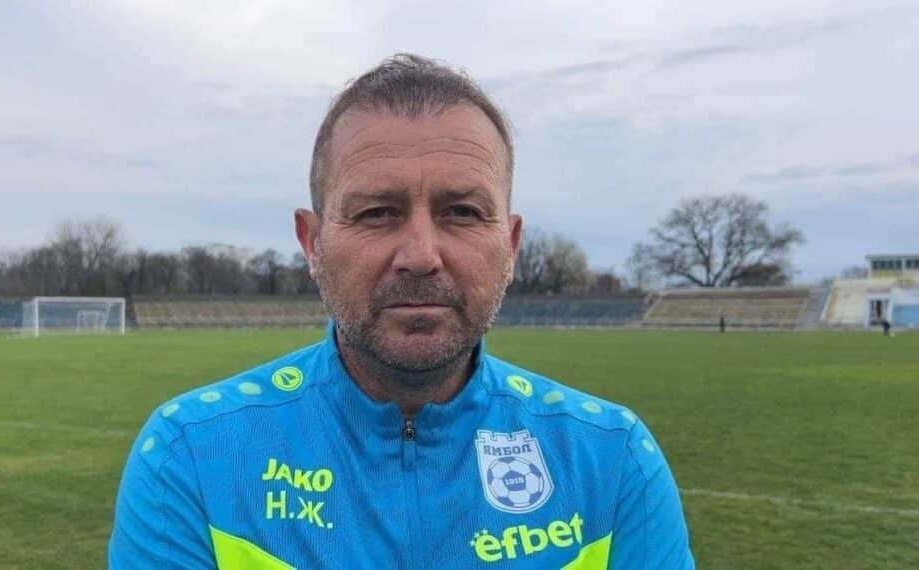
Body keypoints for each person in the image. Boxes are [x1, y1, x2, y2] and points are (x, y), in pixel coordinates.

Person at [109, 54, 694, 569]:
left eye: (463, 212)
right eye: (376, 213)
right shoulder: (192, 455)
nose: (420, 256)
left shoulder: (612, 461)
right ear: (312, 243)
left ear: (511, 245)